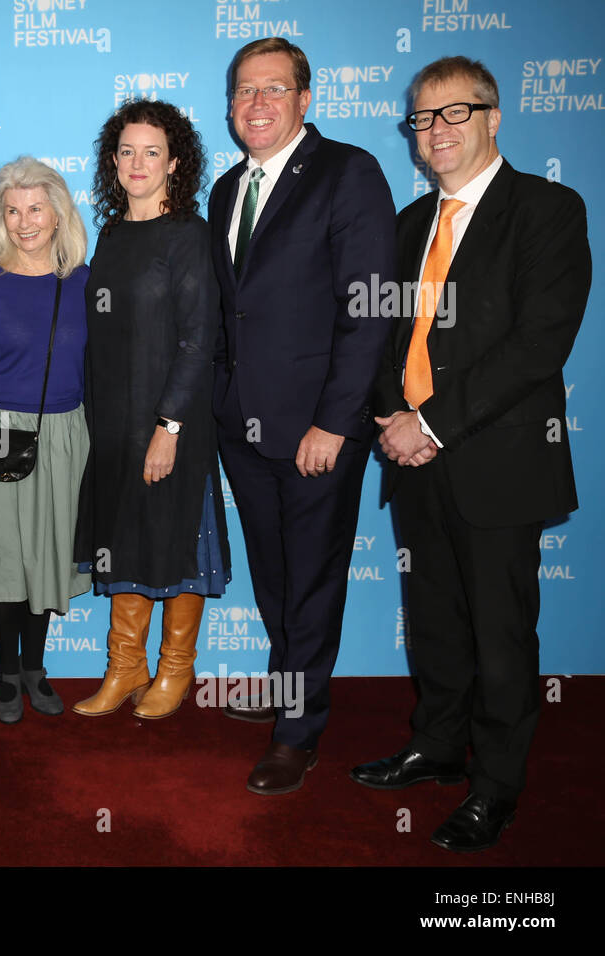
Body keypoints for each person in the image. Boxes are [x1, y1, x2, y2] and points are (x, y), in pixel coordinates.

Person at [352, 57, 591, 852]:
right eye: (422, 119)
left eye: (455, 114)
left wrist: (432, 424)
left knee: (499, 633)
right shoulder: (409, 224)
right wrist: (392, 414)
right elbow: (385, 334)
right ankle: (437, 744)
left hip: (496, 462)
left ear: (495, 117)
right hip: (412, 458)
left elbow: (537, 345)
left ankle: (496, 786)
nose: (435, 132)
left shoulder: (549, 209)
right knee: (435, 622)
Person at [208, 38, 395, 794]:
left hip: (318, 425)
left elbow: (368, 309)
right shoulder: (226, 190)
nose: (257, 104)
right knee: (277, 577)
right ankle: (289, 688)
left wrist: (336, 421)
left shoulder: (348, 173)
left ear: (305, 99)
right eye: (244, 91)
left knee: (313, 580)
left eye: (274, 89)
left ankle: (299, 731)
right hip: (242, 426)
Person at [72, 100, 230, 722]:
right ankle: (125, 665)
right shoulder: (110, 235)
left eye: (152, 152)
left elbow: (199, 340)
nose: (138, 163)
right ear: (113, 162)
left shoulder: (189, 235)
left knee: (174, 541)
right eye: (127, 151)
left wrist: (168, 428)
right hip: (111, 423)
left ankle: (175, 669)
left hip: (172, 424)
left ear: (176, 163)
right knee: (123, 538)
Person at [0, 157, 91, 723]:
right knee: (4, 563)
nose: (25, 222)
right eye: (12, 210)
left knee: (46, 559)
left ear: (57, 213)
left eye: (35, 209)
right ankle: (6, 671)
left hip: (64, 437)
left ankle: (35, 668)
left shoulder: (82, 280)